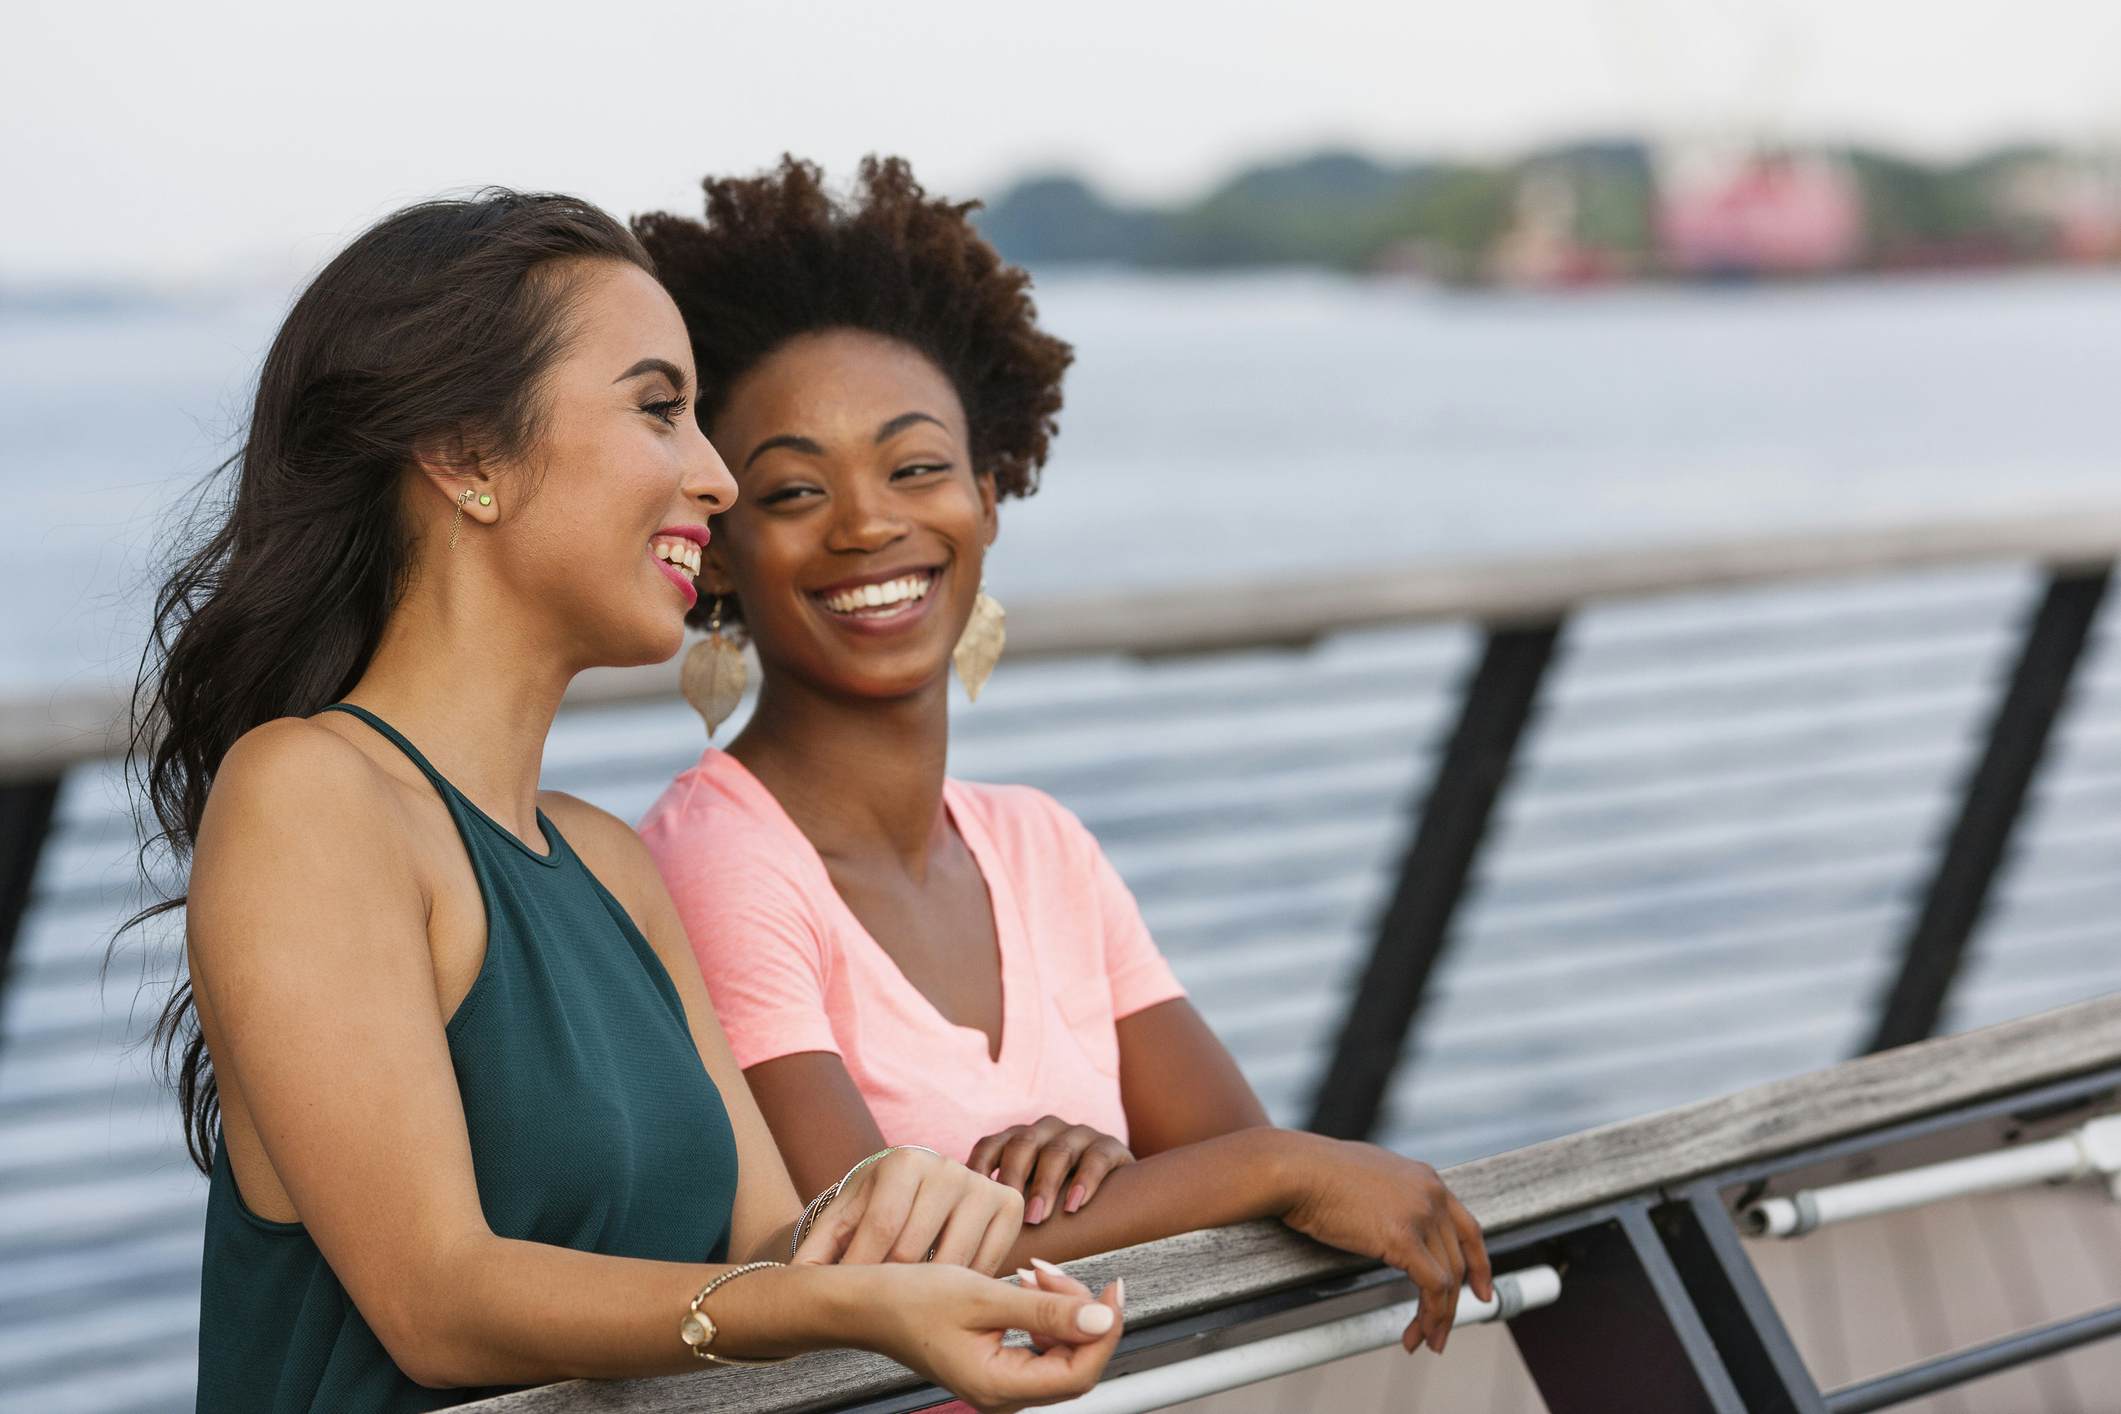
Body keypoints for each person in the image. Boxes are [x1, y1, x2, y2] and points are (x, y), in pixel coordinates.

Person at [127, 188, 1122, 1414]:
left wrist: (920, 1211)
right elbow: (437, 1299)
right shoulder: (306, 796)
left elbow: (775, 1244)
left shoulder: (608, 861)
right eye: (659, 409)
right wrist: (820, 1303)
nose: (714, 479)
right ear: (467, 454)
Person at [634, 157, 1490, 1358]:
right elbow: (867, 1255)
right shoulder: (717, 859)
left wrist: (1122, 1170)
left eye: (917, 466)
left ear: (988, 498)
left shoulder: (1041, 846)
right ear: (716, 550)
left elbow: (1226, 1176)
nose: (868, 521)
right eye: (792, 488)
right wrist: (1272, 1163)